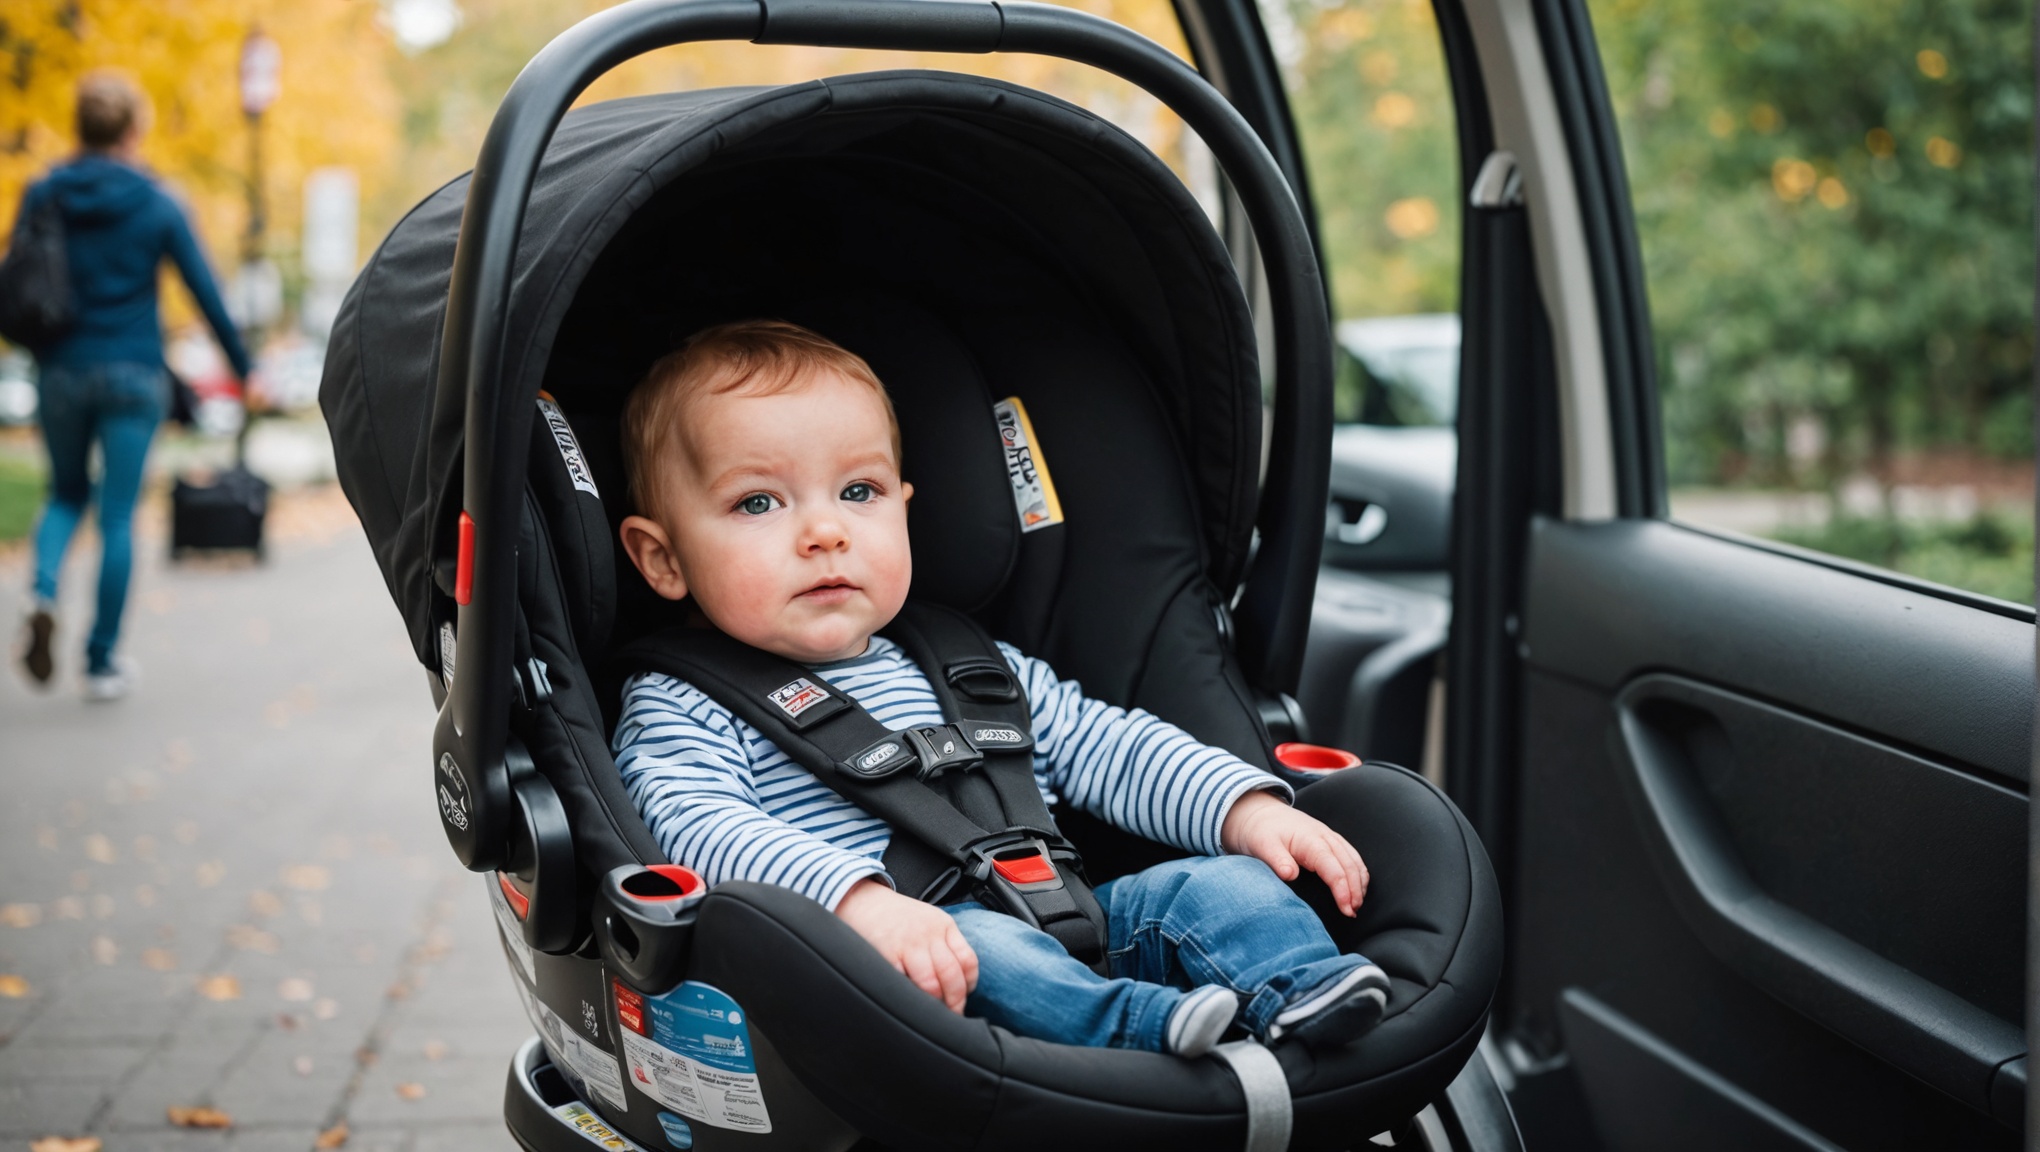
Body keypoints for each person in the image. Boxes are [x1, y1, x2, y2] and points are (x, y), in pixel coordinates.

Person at [611, 320, 1390, 1058]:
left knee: (1219, 884)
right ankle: (1145, 1039)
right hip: (893, 969)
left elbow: (1108, 747)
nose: (826, 532)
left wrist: (1238, 807)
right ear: (663, 559)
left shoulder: (968, 663)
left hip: (1071, 915)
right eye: (758, 503)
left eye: (859, 492)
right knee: (987, 952)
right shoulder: (682, 701)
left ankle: (1303, 992)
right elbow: (698, 827)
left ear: (905, 509)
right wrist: (858, 904)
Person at [12, 71, 250, 700]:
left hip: (62, 370)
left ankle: (41, 591)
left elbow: (21, 278)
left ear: (79, 128)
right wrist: (242, 367)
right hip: (134, 375)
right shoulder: (158, 202)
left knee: (64, 495)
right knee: (118, 513)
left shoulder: (44, 195)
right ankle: (100, 661)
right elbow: (206, 293)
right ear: (135, 131)